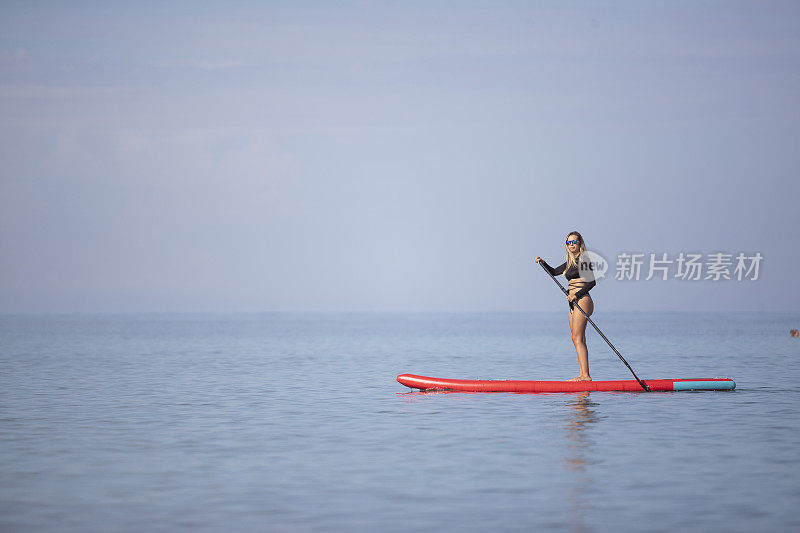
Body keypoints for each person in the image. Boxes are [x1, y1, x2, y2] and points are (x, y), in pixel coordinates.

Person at [535, 231, 596, 381]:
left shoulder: (584, 259)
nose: (571, 245)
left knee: (578, 337)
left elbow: (592, 282)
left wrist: (576, 295)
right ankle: (582, 374)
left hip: (582, 299)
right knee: (576, 338)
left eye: (574, 241)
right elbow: (554, 272)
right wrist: (543, 262)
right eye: (568, 242)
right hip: (572, 303)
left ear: (580, 243)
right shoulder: (570, 262)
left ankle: (585, 376)